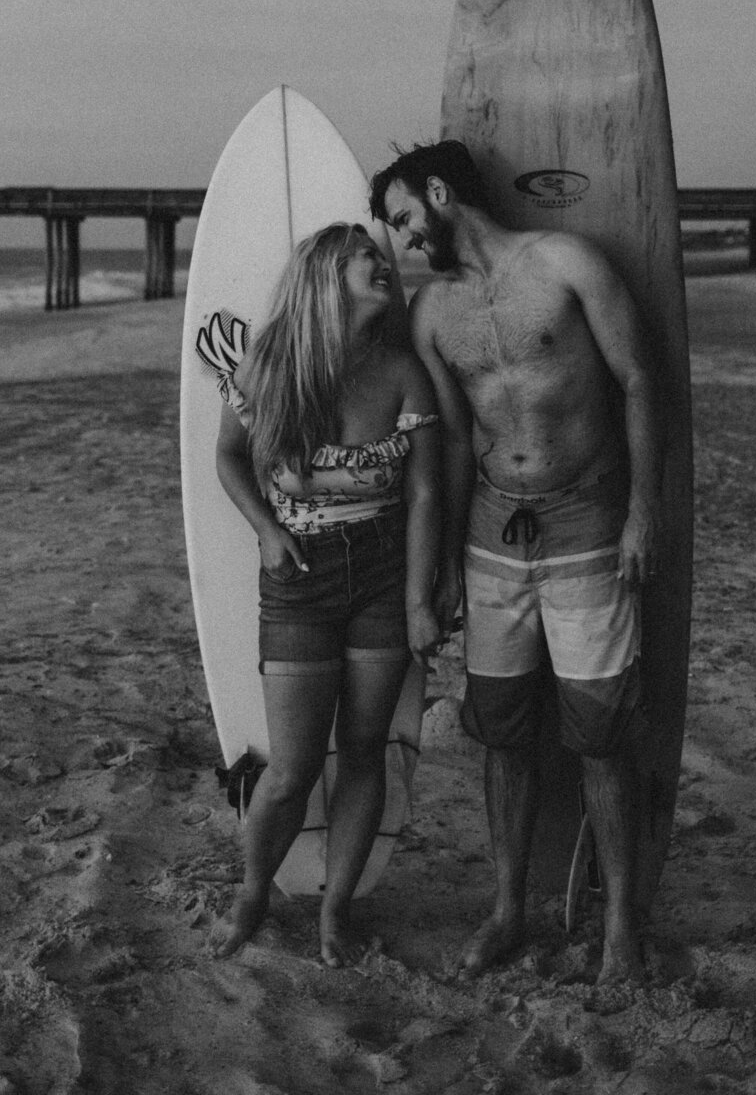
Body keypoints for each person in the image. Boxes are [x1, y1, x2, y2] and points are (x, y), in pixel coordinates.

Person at [369, 142, 661, 984]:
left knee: (601, 734)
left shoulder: (566, 263)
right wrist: (451, 562)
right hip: (493, 536)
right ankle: (506, 911)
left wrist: (644, 513)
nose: (402, 240)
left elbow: (640, 380)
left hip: (588, 528)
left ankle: (618, 931)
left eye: (402, 219)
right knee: (501, 732)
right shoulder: (430, 315)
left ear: (437, 192)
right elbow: (456, 439)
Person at [208, 221, 442, 967]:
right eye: (363, 258)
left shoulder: (402, 371)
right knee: (294, 766)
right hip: (298, 580)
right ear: (323, 279)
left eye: (381, 254)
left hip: (381, 572)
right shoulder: (270, 362)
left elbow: (429, 489)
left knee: (367, 750)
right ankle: (251, 892)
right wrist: (266, 533)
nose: (382, 263)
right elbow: (228, 454)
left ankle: (336, 910)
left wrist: (418, 600)